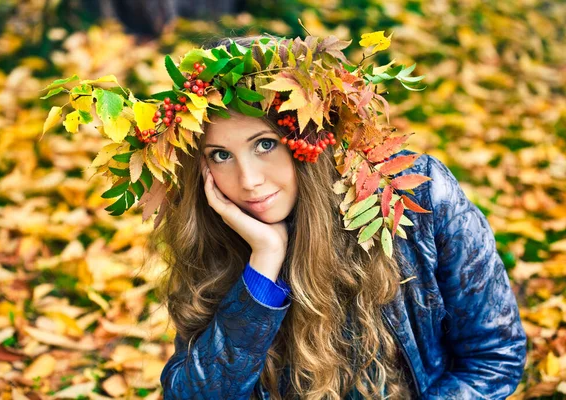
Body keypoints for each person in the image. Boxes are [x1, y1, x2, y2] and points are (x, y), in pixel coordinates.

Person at [144, 35, 527, 399]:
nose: (248, 181)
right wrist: (262, 269)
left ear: (309, 136)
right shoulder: (215, 230)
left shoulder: (413, 196)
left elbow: (494, 355)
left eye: (264, 145)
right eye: (221, 155)